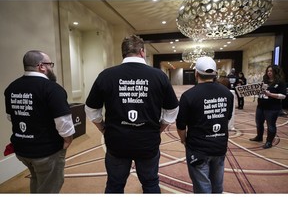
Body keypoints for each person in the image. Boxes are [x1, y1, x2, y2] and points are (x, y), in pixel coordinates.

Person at [85, 35, 179, 193]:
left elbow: (91, 109)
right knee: (150, 184)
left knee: (115, 185)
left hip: (116, 142)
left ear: (123, 53)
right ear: (142, 52)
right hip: (148, 142)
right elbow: (172, 110)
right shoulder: (159, 76)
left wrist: (103, 129)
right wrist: (159, 128)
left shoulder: (106, 75)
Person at [4, 50, 75, 193]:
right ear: (41, 66)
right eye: (50, 64)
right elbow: (63, 122)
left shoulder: (12, 87)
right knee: (49, 187)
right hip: (46, 152)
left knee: (36, 178)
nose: (52, 68)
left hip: (22, 149)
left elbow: (11, 117)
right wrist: (68, 140)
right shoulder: (52, 88)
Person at [176, 56, 234, 193]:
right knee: (217, 186)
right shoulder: (227, 94)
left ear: (196, 73)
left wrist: (183, 139)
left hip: (197, 148)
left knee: (203, 188)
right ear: (215, 73)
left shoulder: (188, 96)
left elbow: (181, 125)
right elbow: (228, 117)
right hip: (219, 146)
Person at [249, 64, 286, 149]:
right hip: (261, 106)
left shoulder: (280, 82)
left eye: (271, 71)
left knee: (271, 125)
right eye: (268, 71)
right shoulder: (264, 81)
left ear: (276, 72)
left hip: (272, 108)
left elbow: (283, 96)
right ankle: (259, 137)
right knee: (259, 123)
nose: (269, 73)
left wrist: (270, 94)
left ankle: (269, 142)